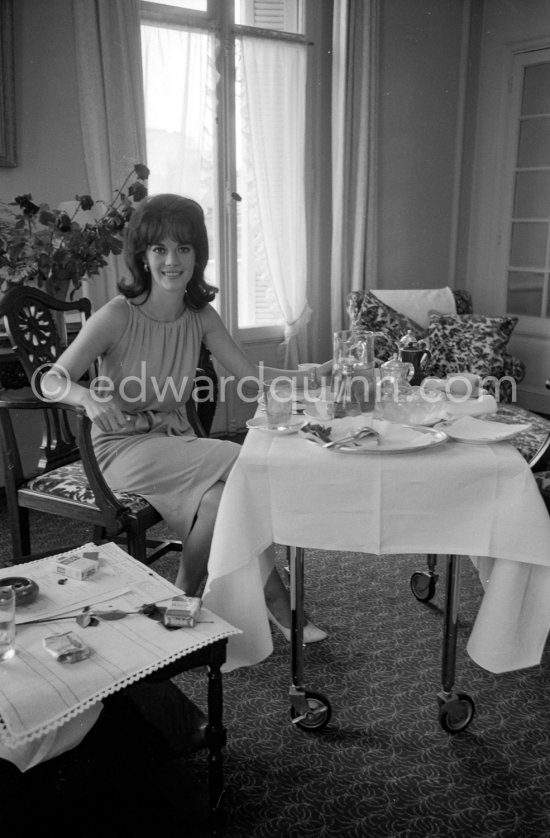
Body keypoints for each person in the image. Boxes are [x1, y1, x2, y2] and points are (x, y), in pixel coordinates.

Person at [42, 193, 331, 643]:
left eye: (183, 248)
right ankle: (278, 601)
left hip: (175, 440)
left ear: (198, 255)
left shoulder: (199, 315)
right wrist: (87, 398)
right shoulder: (119, 315)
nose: (171, 261)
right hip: (120, 448)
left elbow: (251, 377)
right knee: (245, 464)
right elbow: (51, 379)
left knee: (220, 502)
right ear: (143, 255)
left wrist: (312, 376)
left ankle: (182, 599)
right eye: (159, 249)